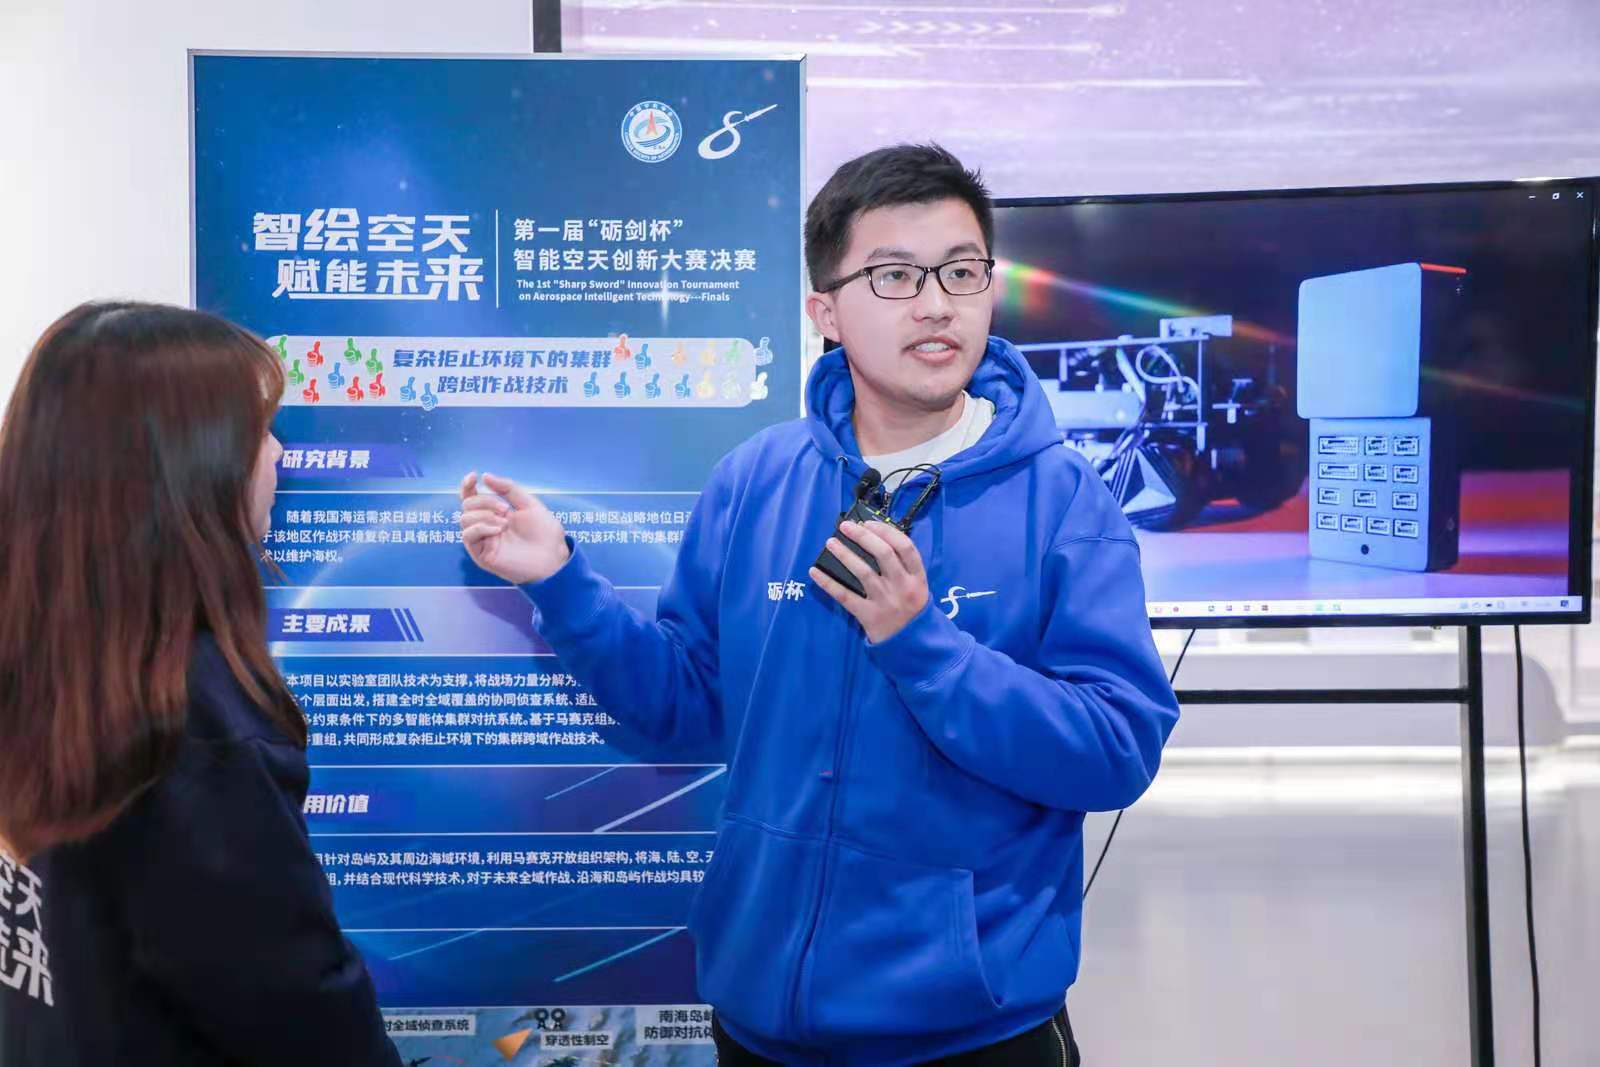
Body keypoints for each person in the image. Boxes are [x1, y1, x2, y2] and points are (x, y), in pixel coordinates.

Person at [458, 144, 1180, 1066]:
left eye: (962, 271)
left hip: (970, 1029)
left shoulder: (1063, 500)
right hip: (762, 1018)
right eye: (895, 275)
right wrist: (559, 580)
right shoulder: (755, 480)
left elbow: (1116, 750)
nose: (936, 303)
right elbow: (681, 707)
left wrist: (922, 645)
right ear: (825, 312)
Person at [0, 302, 401, 1066]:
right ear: (186, 466)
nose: (279, 453)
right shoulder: (192, 724)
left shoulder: (58, 666)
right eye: (259, 428)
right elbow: (306, 1019)